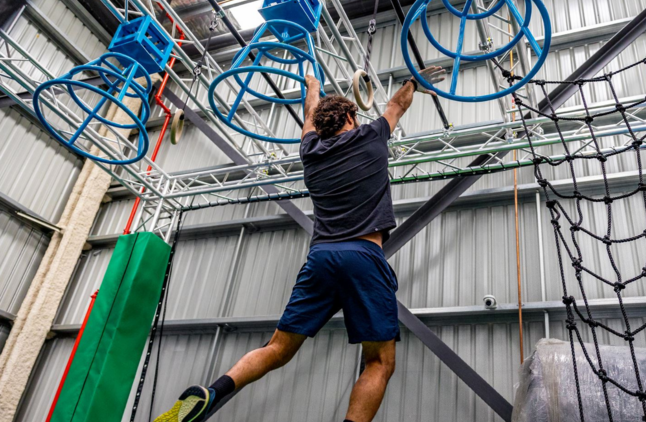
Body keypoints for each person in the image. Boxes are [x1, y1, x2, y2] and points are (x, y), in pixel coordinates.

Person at [153, 66, 446, 422]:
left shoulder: (310, 151)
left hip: (321, 258)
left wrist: (311, 84)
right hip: (364, 256)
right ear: (352, 116)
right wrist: (415, 81)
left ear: (320, 128)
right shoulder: (371, 136)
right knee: (379, 362)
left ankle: (213, 392)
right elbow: (398, 104)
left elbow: (310, 114)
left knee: (276, 348)